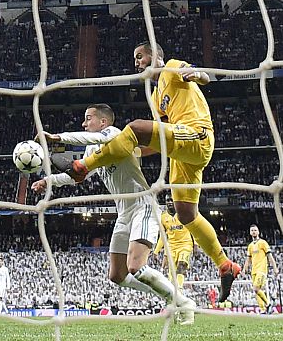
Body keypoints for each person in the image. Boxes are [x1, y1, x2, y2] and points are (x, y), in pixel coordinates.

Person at [53, 42, 241, 302]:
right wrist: (135, 152)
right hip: (181, 152)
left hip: (197, 134)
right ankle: (225, 265)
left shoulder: (172, 68)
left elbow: (204, 75)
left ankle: (84, 166)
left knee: (137, 127)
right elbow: (160, 138)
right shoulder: (156, 97)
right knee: (186, 213)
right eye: (135, 57)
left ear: (156, 57)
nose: (136, 62)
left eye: (139, 56)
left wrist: (196, 75)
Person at [38, 104, 195, 324]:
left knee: (135, 266)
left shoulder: (114, 134)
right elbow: (77, 176)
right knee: (117, 275)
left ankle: (182, 302)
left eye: (88, 118)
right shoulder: (91, 151)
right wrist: (48, 181)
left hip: (143, 204)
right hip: (124, 213)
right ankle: (170, 297)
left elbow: (86, 138)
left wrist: (57, 137)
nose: (84, 123)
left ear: (103, 122)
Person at [153, 196, 194, 293]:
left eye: (172, 200)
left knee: (182, 264)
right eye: (168, 200)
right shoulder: (163, 217)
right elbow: (163, 237)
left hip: (185, 244)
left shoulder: (184, 213)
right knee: (172, 274)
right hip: (171, 247)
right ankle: (174, 293)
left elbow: (193, 229)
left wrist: (196, 244)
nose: (170, 202)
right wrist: (156, 251)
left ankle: (179, 288)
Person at [244, 224, 279, 313]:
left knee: (256, 288)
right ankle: (263, 309)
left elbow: (270, 256)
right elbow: (248, 259)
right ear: (250, 232)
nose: (254, 232)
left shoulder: (263, 243)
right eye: (252, 230)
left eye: (255, 230)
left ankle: (268, 303)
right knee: (257, 291)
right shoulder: (250, 246)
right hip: (254, 270)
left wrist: (275, 268)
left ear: (258, 232)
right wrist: (244, 270)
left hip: (262, 270)